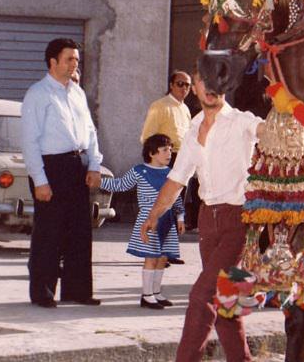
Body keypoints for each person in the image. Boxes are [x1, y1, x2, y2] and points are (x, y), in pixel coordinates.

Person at [141, 64, 260, 362]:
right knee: (226, 301)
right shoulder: (193, 127)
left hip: (240, 220)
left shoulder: (242, 122)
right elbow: (178, 178)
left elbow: (270, 132)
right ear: (195, 86)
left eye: (218, 80)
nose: (210, 87)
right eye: (204, 81)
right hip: (209, 221)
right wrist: (153, 215)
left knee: (201, 296)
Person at [21, 38, 103, 308]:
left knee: (80, 231)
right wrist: (40, 180)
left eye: (77, 60)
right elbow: (30, 142)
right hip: (51, 167)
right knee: (49, 232)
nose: (74, 64)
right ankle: (42, 292)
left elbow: (90, 131)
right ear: (53, 62)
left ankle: (77, 290)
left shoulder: (77, 93)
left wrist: (93, 164)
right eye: (69, 59)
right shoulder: (38, 94)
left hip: (77, 165)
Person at [100, 134, 184, 309]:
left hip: (167, 219)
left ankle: (156, 292)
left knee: (162, 257)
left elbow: (175, 197)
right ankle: (146, 295)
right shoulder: (139, 171)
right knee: (151, 257)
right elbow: (120, 185)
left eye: (170, 150)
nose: (169, 153)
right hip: (149, 219)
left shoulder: (171, 173)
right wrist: (99, 182)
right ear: (152, 153)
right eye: (164, 150)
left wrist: (180, 217)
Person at [141, 71, 195, 229]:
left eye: (187, 85)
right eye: (180, 83)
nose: (184, 88)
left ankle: (169, 236)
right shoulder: (159, 105)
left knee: (178, 201)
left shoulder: (185, 108)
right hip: (165, 159)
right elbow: (147, 136)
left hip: (182, 159)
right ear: (171, 85)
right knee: (163, 201)